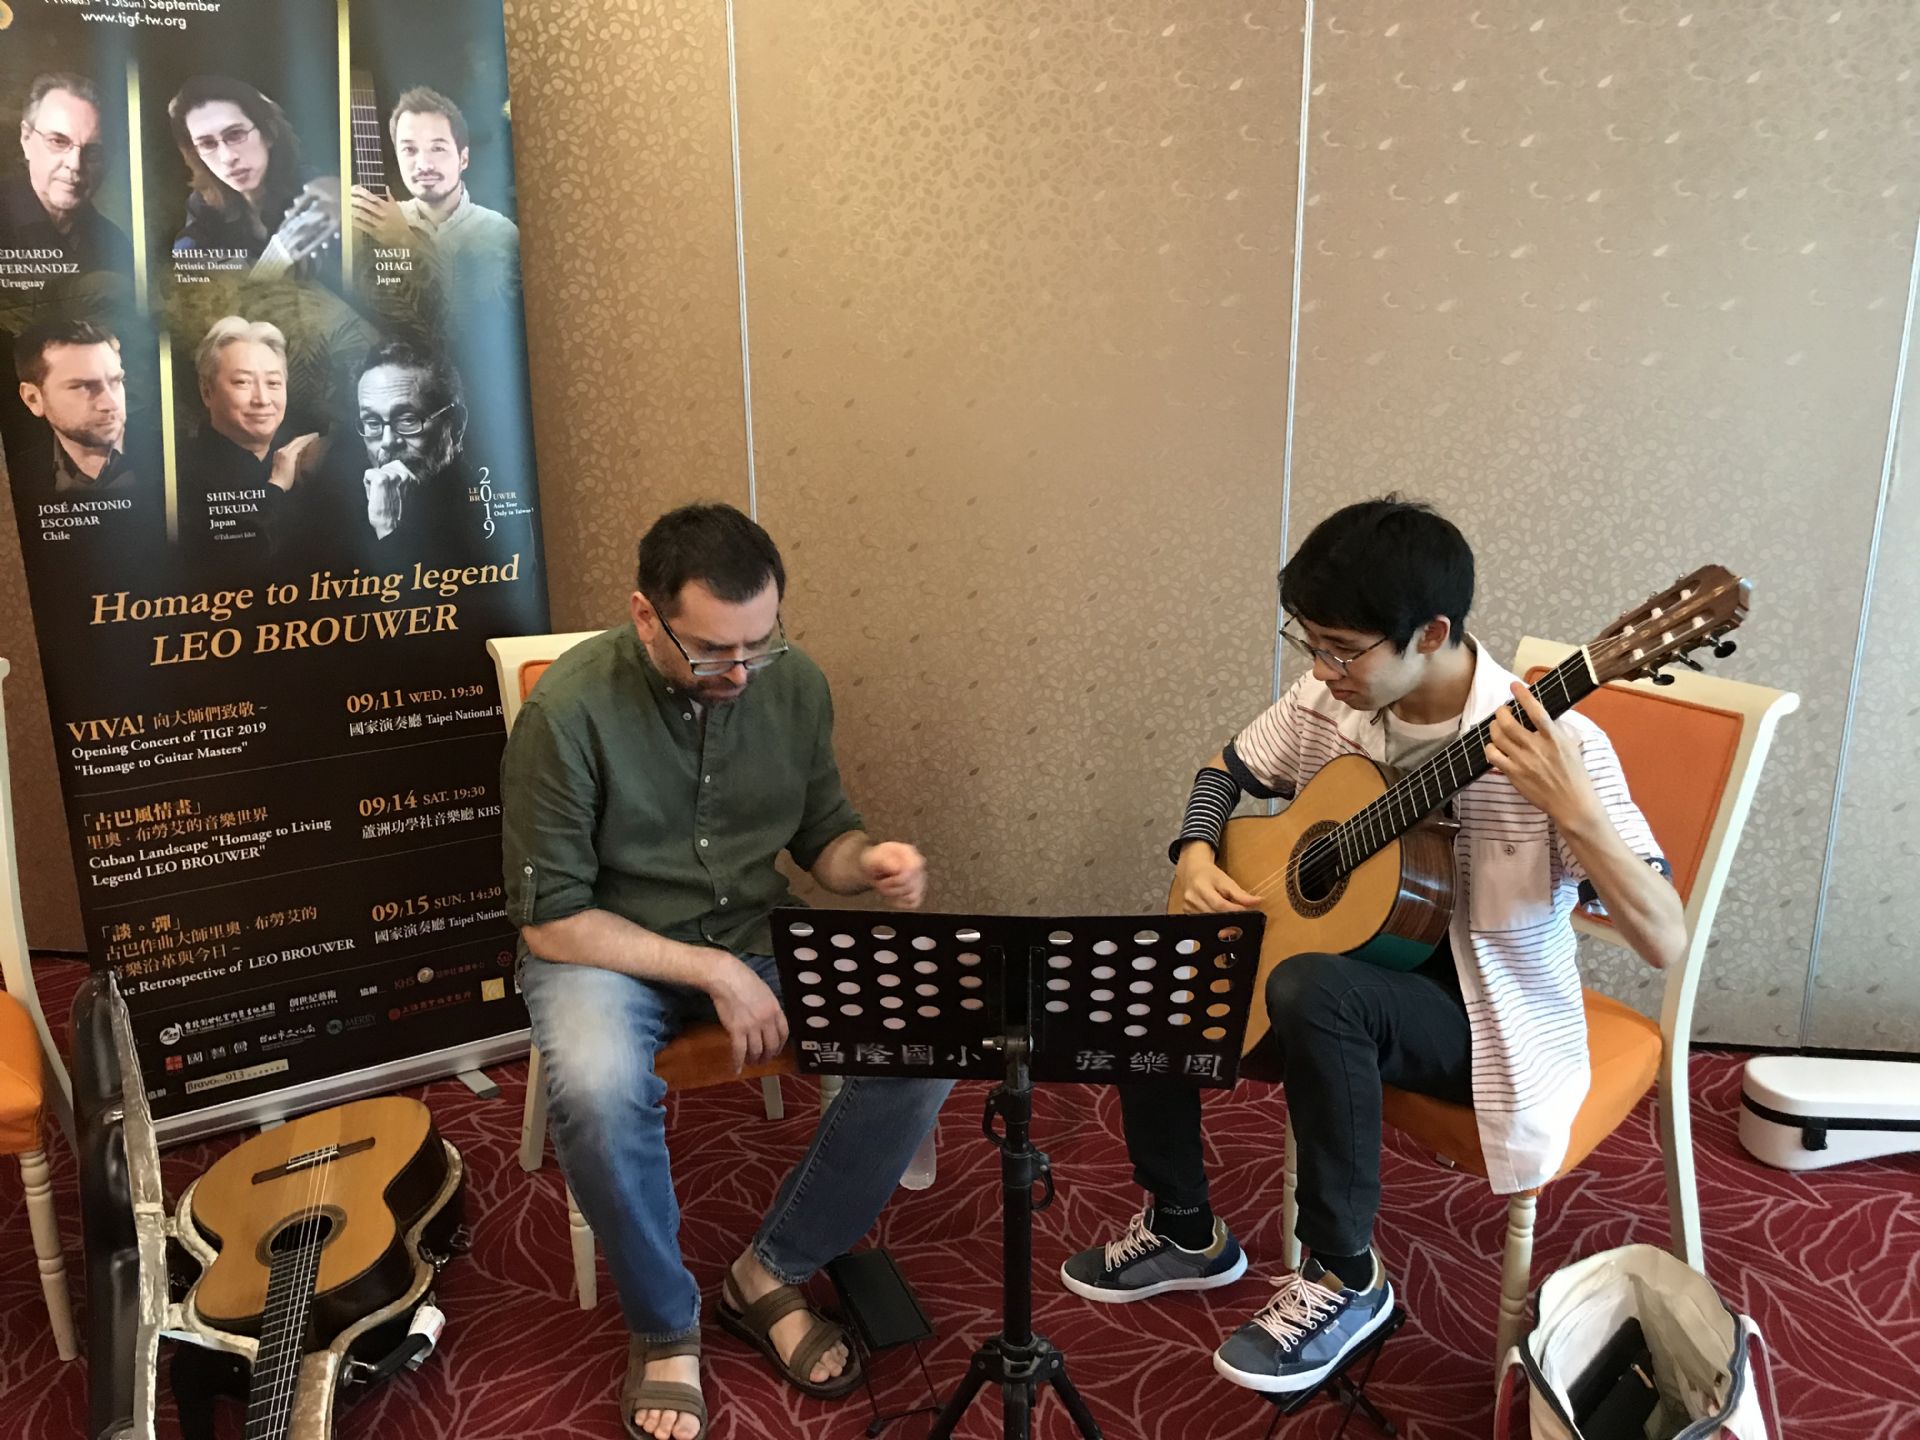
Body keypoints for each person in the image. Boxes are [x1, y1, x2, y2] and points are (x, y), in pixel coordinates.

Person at [1059, 498, 1685, 1396]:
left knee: (1316, 989)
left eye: (1343, 649)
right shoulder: (1329, 701)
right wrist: (1196, 851)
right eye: (1310, 643)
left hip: (1482, 1017)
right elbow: (1224, 772)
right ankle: (1185, 1226)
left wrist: (1575, 811)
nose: (1322, 670)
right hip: (1337, 973)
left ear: (1431, 633)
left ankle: (1346, 1276)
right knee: (1156, 966)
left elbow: (1662, 935)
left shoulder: (1562, 744)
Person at [501, 504, 950, 1440]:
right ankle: (665, 1327)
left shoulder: (796, 684)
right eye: (711, 652)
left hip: (750, 933)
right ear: (645, 615)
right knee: (598, 1086)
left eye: (759, 644)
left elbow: (824, 838)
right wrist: (710, 969)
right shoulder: (566, 713)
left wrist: (867, 863)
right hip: (606, 951)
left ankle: (770, 1270)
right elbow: (552, 921)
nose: (741, 673)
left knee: (927, 1031)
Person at [167, 77, 338, 278]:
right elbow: (188, 263)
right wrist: (268, 264)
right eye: (207, 144)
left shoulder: (316, 190)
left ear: (269, 132)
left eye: (235, 134)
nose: (227, 157)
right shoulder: (202, 206)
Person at [178, 316, 321, 556]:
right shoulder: (181, 472)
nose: (262, 399)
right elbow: (236, 557)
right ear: (207, 391)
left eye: (273, 383)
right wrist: (277, 486)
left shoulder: (309, 453)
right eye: (243, 382)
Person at [349, 87, 517, 273]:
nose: (424, 165)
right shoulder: (378, 221)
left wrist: (403, 239)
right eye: (409, 150)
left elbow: (466, 291)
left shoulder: (499, 233)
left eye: (437, 148)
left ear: (463, 159)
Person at [2, 73, 132, 275]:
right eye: (58, 141)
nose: (75, 164)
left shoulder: (115, 245)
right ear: (26, 138)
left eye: (93, 152)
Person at [353, 339, 476, 550]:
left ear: (456, 425)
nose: (387, 441)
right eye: (372, 422)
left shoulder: (491, 517)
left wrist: (387, 529)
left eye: (408, 419)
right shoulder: (347, 515)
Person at [12, 318, 135, 495]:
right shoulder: (18, 478)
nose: (111, 403)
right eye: (84, 387)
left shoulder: (171, 454)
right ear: (33, 399)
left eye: (116, 381)